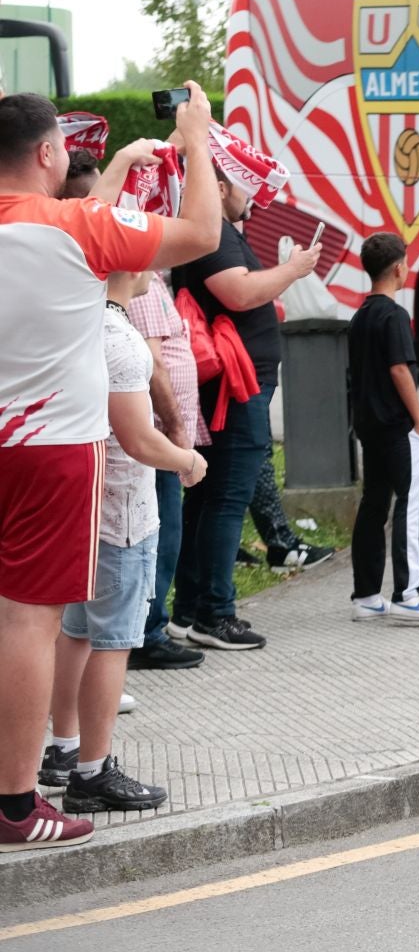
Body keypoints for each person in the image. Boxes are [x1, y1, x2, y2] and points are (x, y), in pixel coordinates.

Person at [0, 84, 219, 853]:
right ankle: (16, 804)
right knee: (29, 618)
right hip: (51, 448)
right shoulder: (74, 227)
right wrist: (197, 139)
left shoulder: (68, 225)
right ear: (48, 153)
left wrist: (123, 163)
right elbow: (200, 231)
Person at [39, 269, 205, 812]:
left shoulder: (73, 321)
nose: (154, 272)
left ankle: (64, 749)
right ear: (125, 267)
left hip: (79, 508)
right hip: (123, 512)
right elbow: (137, 439)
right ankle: (93, 772)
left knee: (76, 632)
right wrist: (187, 460)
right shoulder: (121, 339)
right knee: (113, 642)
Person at [170, 167, 323, 652]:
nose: (252, 195)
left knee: (209, 497)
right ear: (218, 189)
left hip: (239, 383)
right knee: (226, 498)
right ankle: (215, 615)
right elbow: (239, 292)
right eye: (243, 185)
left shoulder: (216, 231)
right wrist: (293, 269)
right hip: (236, 388)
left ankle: (190, 611)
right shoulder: (213, 234)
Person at [348, 232, 419, 624]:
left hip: (369, 425)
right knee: (409, 504)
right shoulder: (394, 316)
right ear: (398, 268)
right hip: (397, 426)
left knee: (373, 505)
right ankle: (409, 594)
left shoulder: (361, 315)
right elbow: (399, 370)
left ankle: (366, 595)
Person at [126, 269, 209, 671]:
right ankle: (146, 633)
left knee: (165, 537)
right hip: (159, 437)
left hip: (162, 436)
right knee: (161, 539)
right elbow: (154, 363)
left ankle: (147, 629)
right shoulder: (141, 285)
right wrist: (176, 430)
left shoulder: (153, 281)